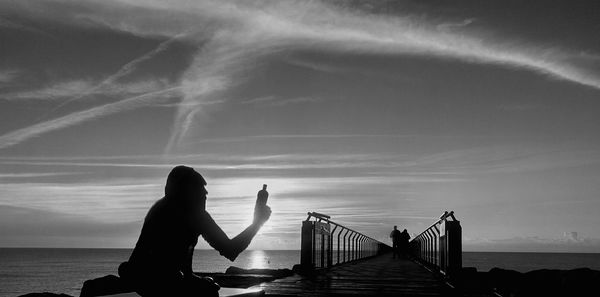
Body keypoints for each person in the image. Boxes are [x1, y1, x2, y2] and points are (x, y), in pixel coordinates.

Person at [118, 166, 272, 297]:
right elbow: (230, 250)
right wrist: (257, 223)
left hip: (140, 278)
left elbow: (179, 252)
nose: (205, 194)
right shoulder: (195, 215)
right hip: (158, 284)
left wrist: (189, 277)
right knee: (211, 291)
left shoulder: (159, 209)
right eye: (200, 190)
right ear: (187, 193)